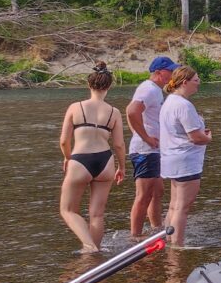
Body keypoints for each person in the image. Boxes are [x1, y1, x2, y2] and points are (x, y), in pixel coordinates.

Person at [58, 62, 126, 253]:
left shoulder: (75, 107)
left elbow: (64, 140)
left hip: (80, 159)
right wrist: (122, 167)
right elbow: (119, 145)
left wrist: (67, 158)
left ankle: (89, 247)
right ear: (109, 86)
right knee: (97, 214)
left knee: (68, 210)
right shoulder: (114, 112)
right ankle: (93, 255)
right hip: (105, 161)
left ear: (89, 85)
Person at [159, 65, 212, 247]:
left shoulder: (169, 101)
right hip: (185, 161)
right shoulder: (184, 105)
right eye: (196, 81)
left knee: (174, 205)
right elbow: (196, 137)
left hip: (171, 159)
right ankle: (178, 245)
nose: (198, 84)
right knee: (182, 207)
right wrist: (207, 138)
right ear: (185, 82)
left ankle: (168, 241)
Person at [126, 56, 177, 237]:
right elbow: (131, 111)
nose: (172, 74)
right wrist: (145, 137)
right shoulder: (148, 89)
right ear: (158, 73)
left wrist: (140, 134)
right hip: (145, 151)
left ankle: (156, 229)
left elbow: (132, 113)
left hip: (152, 149)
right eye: (170, 71)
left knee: (157, 191)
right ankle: (136, 237)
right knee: (144, 195)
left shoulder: (154, 90)